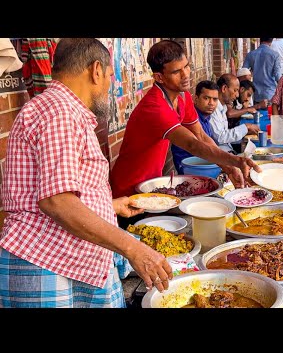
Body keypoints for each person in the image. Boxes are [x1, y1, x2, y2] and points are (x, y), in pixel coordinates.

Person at [0, 38, 173, 308]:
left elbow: (59, 190)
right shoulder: (60, 112)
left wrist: (109, 205)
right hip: (47, 262)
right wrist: (134, 249)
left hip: (66, 261)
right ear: (95, 71)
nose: (109, 86)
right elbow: (57, 201)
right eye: (110, 76)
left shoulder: (59, 109)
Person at [110, 40, 260, 198]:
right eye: (176, 72)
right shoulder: (155, 107)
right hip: (128, 190)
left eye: (186, 66)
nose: (186, 75)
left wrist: (228, 167)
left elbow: (201, 136)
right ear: (159, 77)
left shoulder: (183, 96)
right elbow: (193, 144)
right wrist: (235, 161)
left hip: (150, 185)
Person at [171, 80, 219, 174]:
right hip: (190, 169)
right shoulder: (191, 120)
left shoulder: (206, 118)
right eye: (206, 98)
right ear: (196, 99)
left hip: (204, 163)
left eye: (215, 99)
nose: (211, 103)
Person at [210, 73, 259, 152]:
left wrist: (244, 133)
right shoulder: (212, 109)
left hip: (229, 149)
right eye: (235, 90)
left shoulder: (223, 107)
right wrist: (246, 127)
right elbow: (220, 138)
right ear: (224, 88)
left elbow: (226, 137)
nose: (237, 95)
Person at [242, 38, 282, 103]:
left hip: (256, 94)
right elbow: (278, 76)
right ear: (271, 41)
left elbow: (243, 73)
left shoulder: (250, 54)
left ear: (260, 40)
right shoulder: (275, 55)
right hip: (270, 94)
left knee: (257, 112)